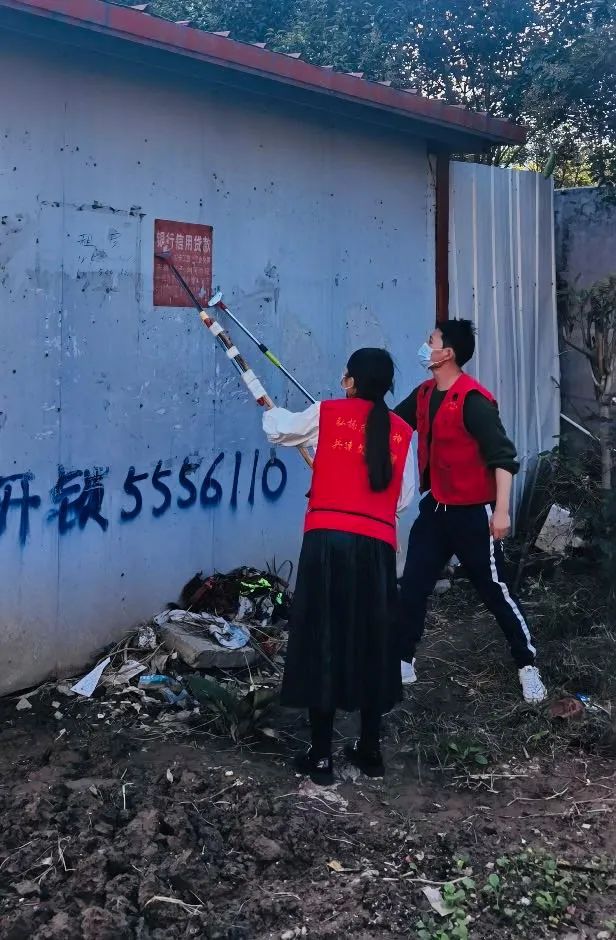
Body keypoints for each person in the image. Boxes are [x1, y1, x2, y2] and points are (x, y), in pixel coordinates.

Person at [263, 348, 415, 785]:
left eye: (344, 375)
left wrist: (269, 411)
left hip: (327, 544)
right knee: (373, 642)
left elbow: (279, 430)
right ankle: (370, 750)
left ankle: (321, 757)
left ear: (350, 382)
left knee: (322, 640)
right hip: (377, 549)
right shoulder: (403, 432)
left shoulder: (326, 413)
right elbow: (403, 499)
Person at [395, 319, 547, 704]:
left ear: (446, 353)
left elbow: (504, 459)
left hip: (473, 513)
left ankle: (527, 664)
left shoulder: (474, 401)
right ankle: (403, 659)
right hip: (436, 510)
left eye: (430, 340)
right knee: (413, 583)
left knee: (494, 590)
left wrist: (502, 511)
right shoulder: (424, 394)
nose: (425, 345)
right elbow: (392, 425)